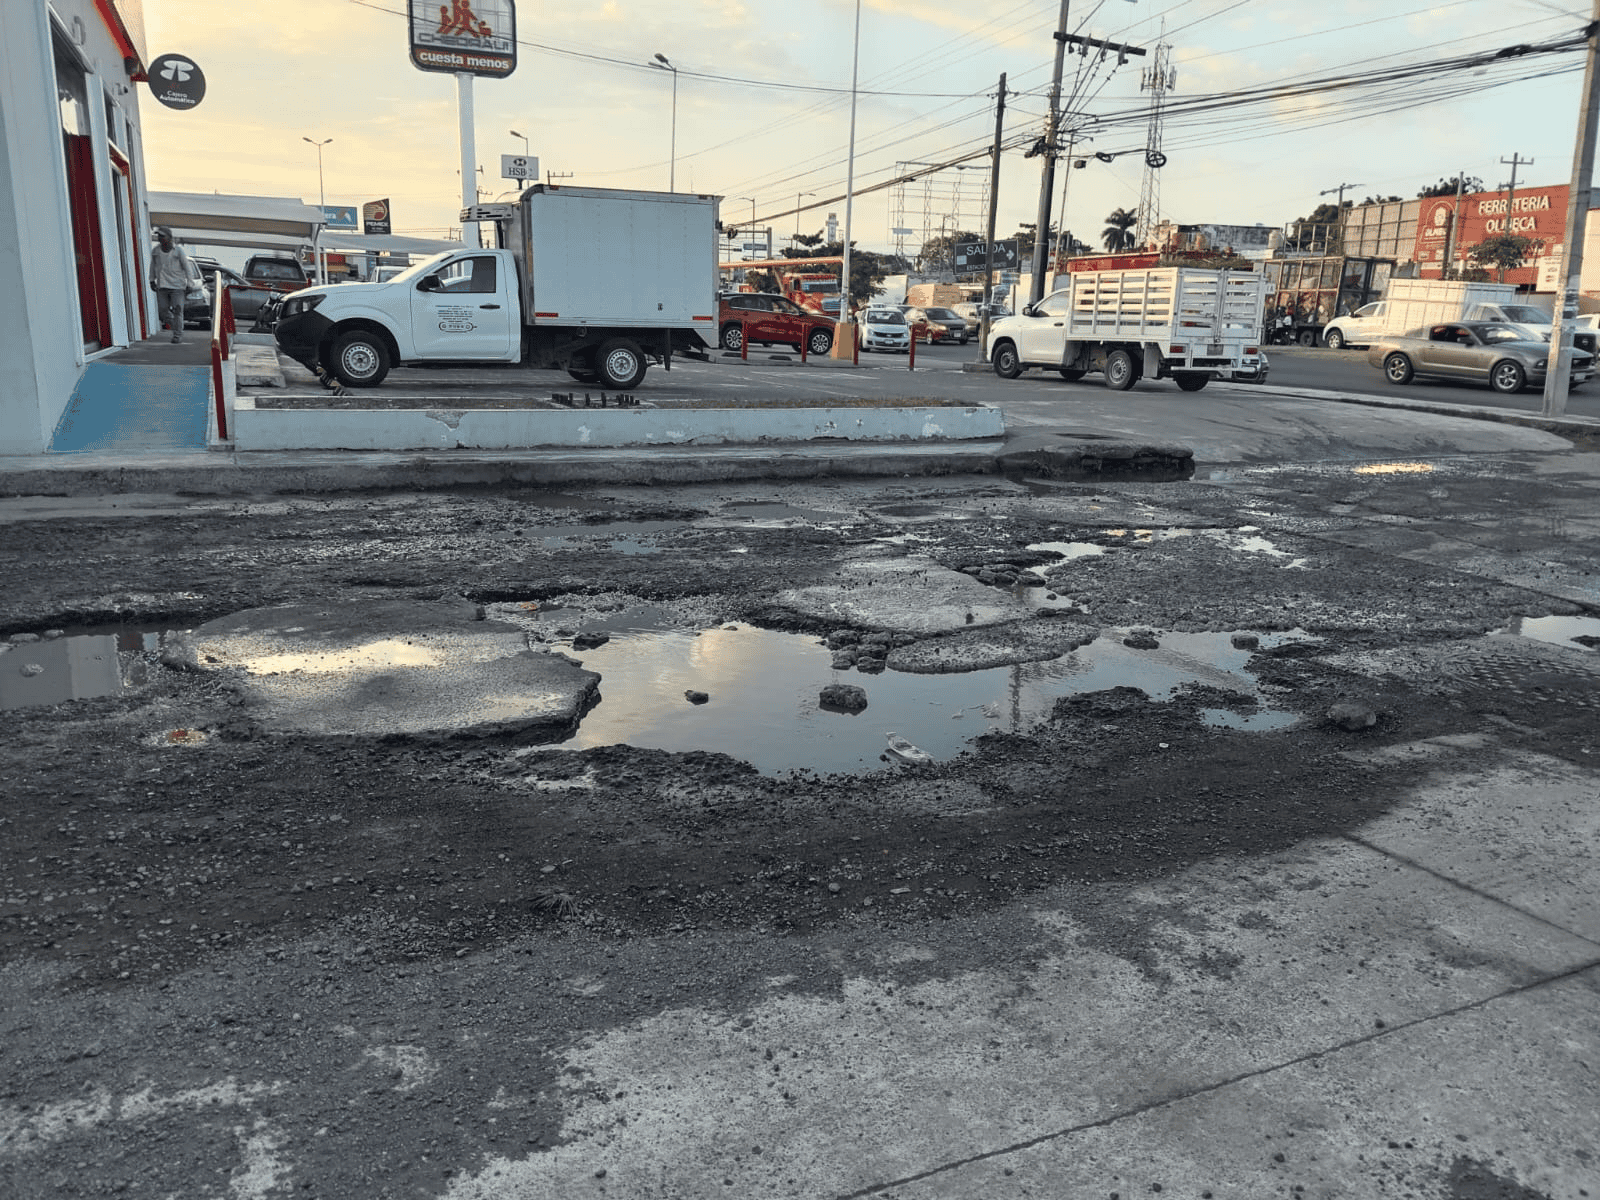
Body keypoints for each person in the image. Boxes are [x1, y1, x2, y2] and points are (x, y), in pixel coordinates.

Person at [149, 227, 191, 343]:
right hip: (162, 285)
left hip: (177, 286)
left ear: (169, 237)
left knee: (178, 309)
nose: (160, 238)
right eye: (159, 236)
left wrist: (190, 283)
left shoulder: (178, 251)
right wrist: (152, 280)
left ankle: (177, 335)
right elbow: (153, 266)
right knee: (162, 310)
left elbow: (187, 268)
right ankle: (174, 323)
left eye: (162, 236)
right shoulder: (156, 251)